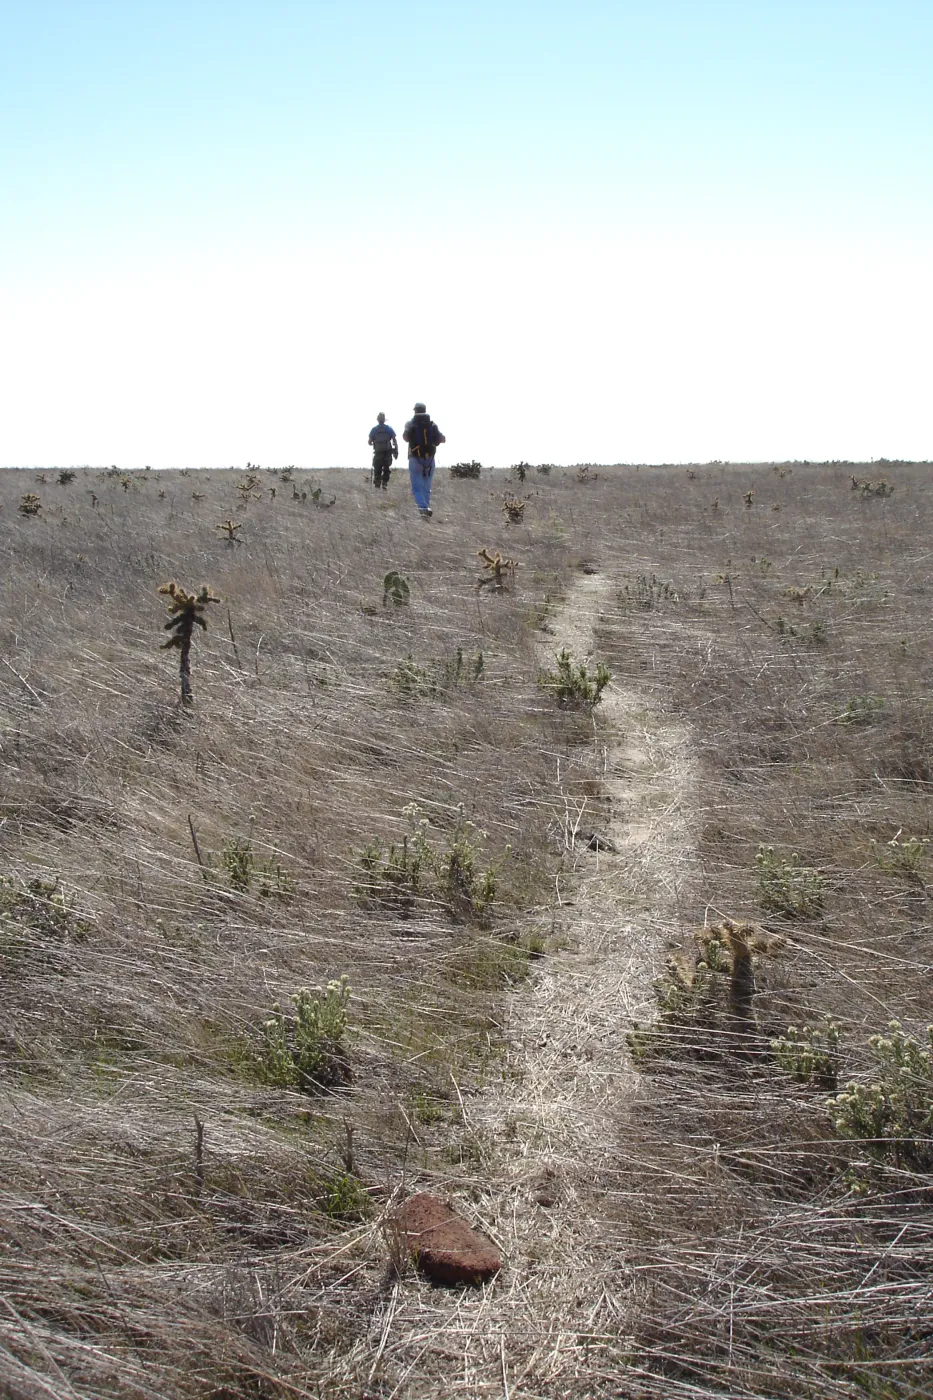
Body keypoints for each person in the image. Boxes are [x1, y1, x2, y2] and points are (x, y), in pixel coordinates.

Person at [402, 402, 445, 517]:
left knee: (416, 487)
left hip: (415, 458)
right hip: (430, 459)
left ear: (415, 411)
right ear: (425, 410)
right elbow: (442, 439)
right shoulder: (432, 424)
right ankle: (425, 509)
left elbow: (405, 438)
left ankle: (423, 508)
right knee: (426, 487)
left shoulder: (410, 424)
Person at [368, 412, 398, 490]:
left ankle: (377, 485)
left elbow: (369, 442)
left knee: (377, 469)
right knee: (386, 469)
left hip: (378, 453)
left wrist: (374, 443)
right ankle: (384, 484)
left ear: (378, 420)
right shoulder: (389, 428)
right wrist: (395, 451)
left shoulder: (374, 429)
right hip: (387, 452)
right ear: (384, 420)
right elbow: (394, 440)